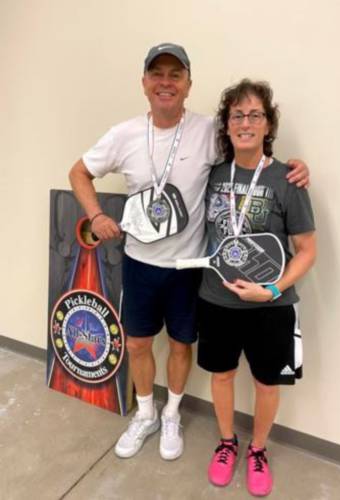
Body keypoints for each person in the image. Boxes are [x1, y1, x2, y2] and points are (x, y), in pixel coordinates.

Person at [69, 43, 310, 462]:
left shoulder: (206, 133)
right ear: (144, 83)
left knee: (182, 346)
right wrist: (94, 215)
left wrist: (293, 167)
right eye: (157, 74)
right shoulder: (122, 134)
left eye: (175, 75)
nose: (166, 82)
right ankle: (145, 414)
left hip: (189, 268)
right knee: (139, 344)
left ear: (188, 84)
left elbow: (249, 152)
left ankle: (173, 414)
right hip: (140, 263)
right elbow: (79, 172)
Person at [197, 78, 316, 496]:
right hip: (215, 300)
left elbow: (306, 250)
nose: (245, 122)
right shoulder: (210, 175)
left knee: (267, 383)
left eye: (255, 115)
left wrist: (273, 291)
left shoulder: (288, 179)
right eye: (237, 115)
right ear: (227, 126)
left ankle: (258, 450)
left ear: (268, 125)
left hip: (271, 306)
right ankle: (227, 442)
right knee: (223, 376)